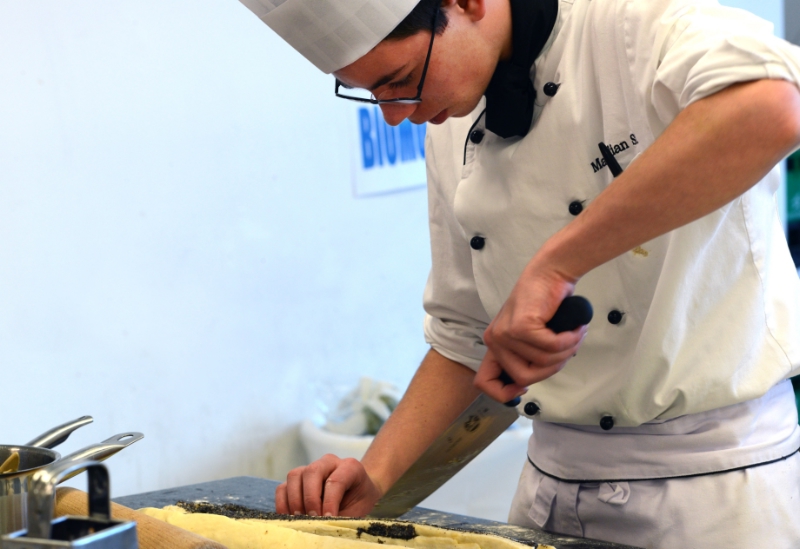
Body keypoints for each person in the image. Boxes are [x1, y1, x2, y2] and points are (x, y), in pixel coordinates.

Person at [239, 0, 800, 546]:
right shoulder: (450, 124)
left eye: (401, 80)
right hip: (550, 490)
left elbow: (774, 107)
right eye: (371, 94)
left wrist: (556, 265)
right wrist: (377, 476)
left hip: (713, 491)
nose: (394, 113)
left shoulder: (634, 24)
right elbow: (465, 336)